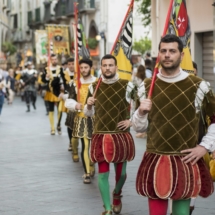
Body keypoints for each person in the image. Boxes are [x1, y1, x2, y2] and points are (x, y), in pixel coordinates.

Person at [132, 34, 215, 215]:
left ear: (181, 55)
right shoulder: (147, 86)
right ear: (158, 55)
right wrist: (140, 112)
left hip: (184, 159)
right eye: (163, 51)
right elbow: (138, 128)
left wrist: (204, 147)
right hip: (155, 158)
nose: (167, 55)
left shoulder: (198, 86)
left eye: (172, 51)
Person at [84, 54, 138, 215]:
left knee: (121, 174)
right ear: (100, 67)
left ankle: (116, 194)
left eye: (110, 65)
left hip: (120, 135)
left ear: (116, 67)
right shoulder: (94, 87)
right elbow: (88, 113)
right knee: (103, 173)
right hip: (100, 135)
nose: (107, 68)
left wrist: (131, 121)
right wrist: (88, 105)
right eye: (104, 65)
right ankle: (107, 209)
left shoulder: (127, 86)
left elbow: (139, 108)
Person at [64, 58, 96, 184]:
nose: (83, 70)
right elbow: (69, 100)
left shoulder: (98, 82)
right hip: (81, 118)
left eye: (86, 67)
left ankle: (92, 165)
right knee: (85, 145)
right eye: (81, 68)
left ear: (90, 68)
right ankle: (87, 172)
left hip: (96, 118)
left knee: (94, 145)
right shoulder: (75, 83)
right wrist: (75, 105)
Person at [41, 54, 64, 135]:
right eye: (53, 59)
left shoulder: (60, 69)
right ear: (50, 60)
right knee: (51, 110)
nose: (54, 61)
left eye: (55, 59)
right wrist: (46, 77)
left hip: (59, 92)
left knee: (60, 110)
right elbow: (43, 80)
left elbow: (63, 80)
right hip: (50, 92)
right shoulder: (46, 69)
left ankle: (59, 125)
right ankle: (52, 128)